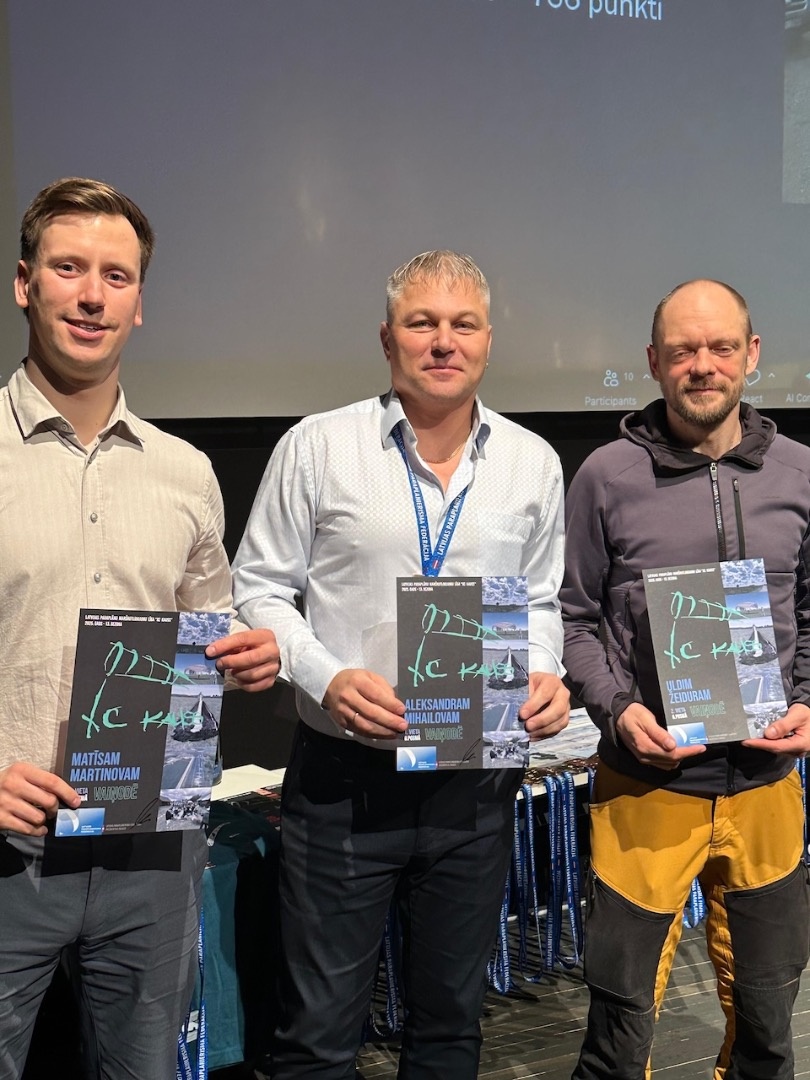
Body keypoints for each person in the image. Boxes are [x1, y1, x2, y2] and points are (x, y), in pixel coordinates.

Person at [231, 250, 569, 1079]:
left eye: (462, 324)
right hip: (345, 781)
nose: (443, 341)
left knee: (451, 1024)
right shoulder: (317, 446)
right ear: (388, 339)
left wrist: (544, 671)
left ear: (488, 340)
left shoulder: (532, 460)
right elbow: (259, 589)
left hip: (475, 781)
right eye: (422, 323)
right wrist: (326, 677)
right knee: (318, 1034)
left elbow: (540, 600)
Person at [0, 177, 281, 1079]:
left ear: (139, 302)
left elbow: (207, 628)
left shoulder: (186, 471)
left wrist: (245, 655)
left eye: (115, 276)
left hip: (150, 847)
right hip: (7, 850)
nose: (93, 295)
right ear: (24, 283)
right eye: (69, 268)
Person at [561, 278, 810, 1080]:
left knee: (769, 1018)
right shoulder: (606, 475)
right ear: (654, 361)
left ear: (752, 353)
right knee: (621, 1025)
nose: (703, 364)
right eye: (683, 350)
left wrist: (808, 702)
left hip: (767, 787)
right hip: (646, 786)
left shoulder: (800, 473)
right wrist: (616, 709)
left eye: (721, 347)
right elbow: (574, 620)